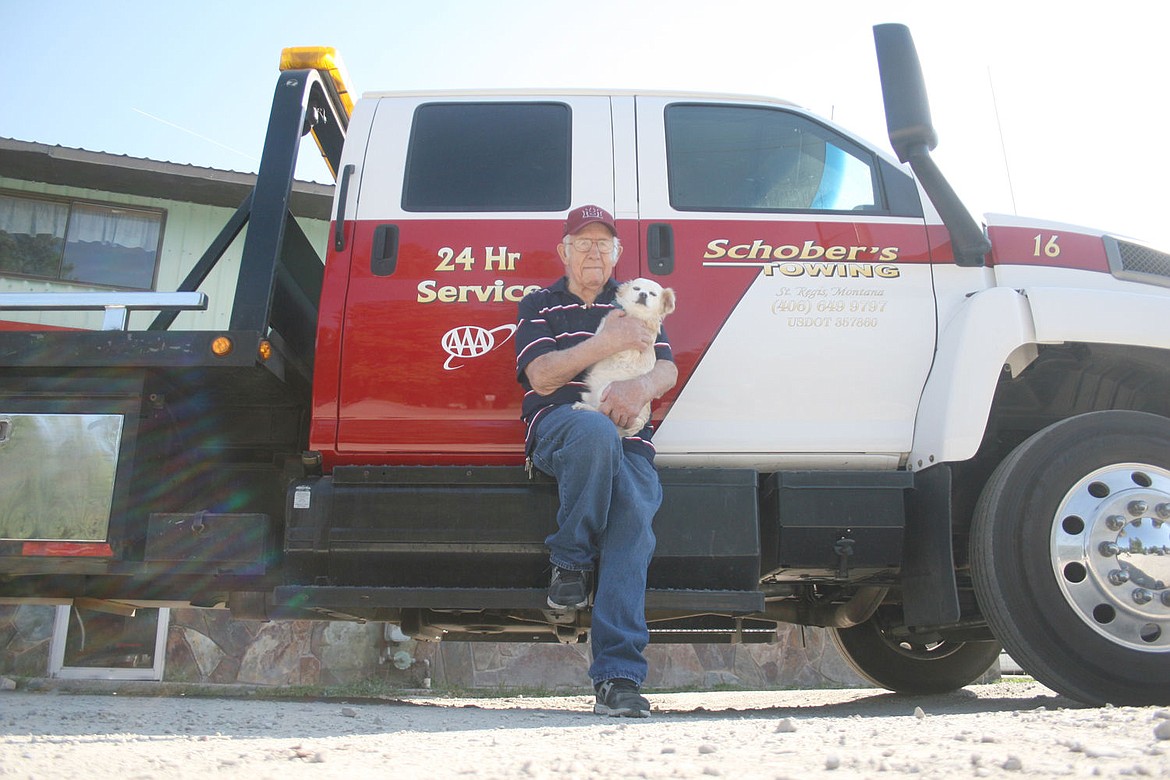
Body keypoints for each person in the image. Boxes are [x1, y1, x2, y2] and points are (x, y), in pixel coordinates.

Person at [515, 204, 678, 718]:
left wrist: (640, 384)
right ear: (563, 251)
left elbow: (667, 368)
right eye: (582, 243)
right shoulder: (540, 303)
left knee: (633, 523)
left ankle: (618, 679)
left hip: (630, 435)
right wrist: (603, 343)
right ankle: (571, 559)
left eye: (603, 244)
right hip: (563, 427)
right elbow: (541, 376)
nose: (593, 251)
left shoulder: (636, 301)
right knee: (591, 428)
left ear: (617, 255)